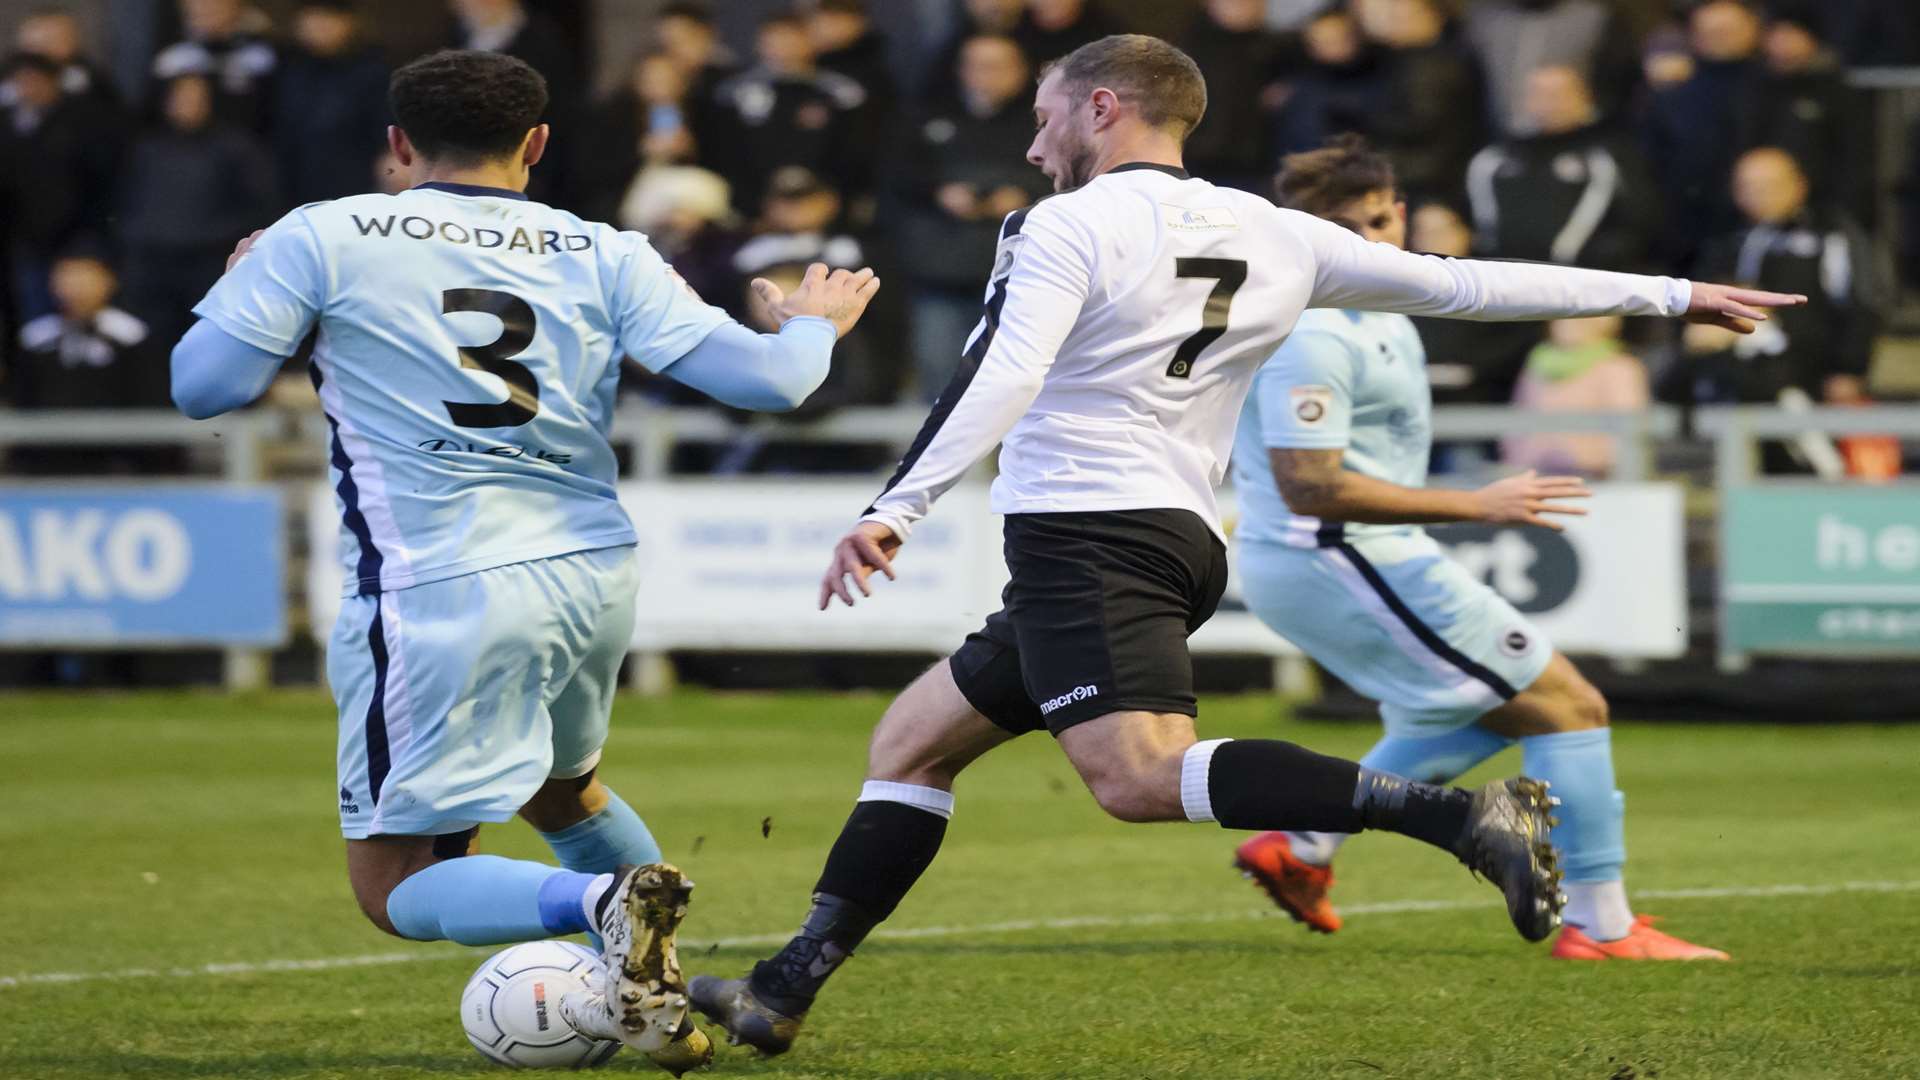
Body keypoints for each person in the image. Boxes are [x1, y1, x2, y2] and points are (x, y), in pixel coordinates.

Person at [689, 35, 1788, 1055]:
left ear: (1103, 108)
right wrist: (1674, 293)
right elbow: (1470, 284)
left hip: (1089, 536)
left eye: (1043, 119)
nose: (1031, 146)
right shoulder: (1275, 230)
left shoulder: (1064, 226)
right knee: (912, 745)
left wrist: (897, 506)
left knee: (1135, 779)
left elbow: (1001, 374)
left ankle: (1458, 815)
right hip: (1165, 533)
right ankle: (783, 989)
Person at [168, 49, 881, 1070]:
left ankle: (598, 903)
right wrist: (811, 327)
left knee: (395, 887)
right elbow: (771, 384)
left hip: (438, 582)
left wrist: (241, 286)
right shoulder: (604, 248)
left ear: (399, 145)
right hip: (589, 573)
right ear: (538, 144)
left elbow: (204, 389)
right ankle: (660, 1004)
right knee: (563, 789)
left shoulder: (320, 235)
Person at [1227, 142, 1715, 961]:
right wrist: (1474, 503)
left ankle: (1302, 844)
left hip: (1360, 552)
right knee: (1568, 705)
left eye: (1381, 220)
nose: (1373, 241)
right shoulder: (1312, 331)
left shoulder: (1384, 301)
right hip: (1333, 553)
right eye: (1349, 229)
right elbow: (1311, 484)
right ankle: (1603, 927)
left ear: (1401, 209)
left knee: (1459, 712)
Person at [897, 33, 1049, 397]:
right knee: (940, 386)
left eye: (997, 66)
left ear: (1021, 70)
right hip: (941, 273)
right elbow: (895, 178)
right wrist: (939, 192)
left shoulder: (1046, 124)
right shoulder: (925, 119)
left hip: (1023, 278)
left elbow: (1075, 181)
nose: (986, 75)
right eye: (977, 65)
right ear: (961, 70)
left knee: (1019, 385)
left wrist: (1025, 195)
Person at [1691, 146, 1877, 408]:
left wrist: (1850, 368)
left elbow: (1861, 304)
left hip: (1805, 367)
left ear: (1799, 184)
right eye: (1746, 186)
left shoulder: (1830, 236)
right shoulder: (1725, 243)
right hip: (1732, 364)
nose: (1757, 195)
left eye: (1768, 186)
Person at [118, 72, 279, 356]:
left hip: (210, 262)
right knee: (153, 342)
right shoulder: (147, 147)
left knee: (209, 342)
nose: (187, 105)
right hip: (153, 263)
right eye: (180, 98)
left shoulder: (237, 148)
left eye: (195, 98)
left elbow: (260, 206)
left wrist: (218, 235)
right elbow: (127, 200)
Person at [1464, 65, 1661, 271]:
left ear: (1584, 98)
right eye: (1539, 94)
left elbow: (1641, 221)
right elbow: (1466, 221)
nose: (1548, 103)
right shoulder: (1492, 159)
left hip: (1583, 283)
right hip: (1501, 282)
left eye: (1558, 94)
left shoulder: (1612, 156)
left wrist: (1599, 262)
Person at [273, 0, 390, 205]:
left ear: (349, 23)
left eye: (328, 18)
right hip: (292, 182)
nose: (319, 27)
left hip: (354, 181)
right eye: (313, 17)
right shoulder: (286, 67)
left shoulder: (374, 70)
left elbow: (384, 129)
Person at [1502, 316, 1649, 478]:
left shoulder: (1619, 368)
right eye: (1561, 317)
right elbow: (1517, 421)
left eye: (1577, 320)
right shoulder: (1537, 365)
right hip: (1535, 474)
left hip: (1592, 478)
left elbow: (1627, 434)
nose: (1566, 324)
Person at [151, 0, 277, 132]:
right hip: (183, 147)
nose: (203, 8)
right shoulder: (172, 59)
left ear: (237, 7)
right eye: (197, 3)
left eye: (214, 3)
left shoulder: (261, 57)